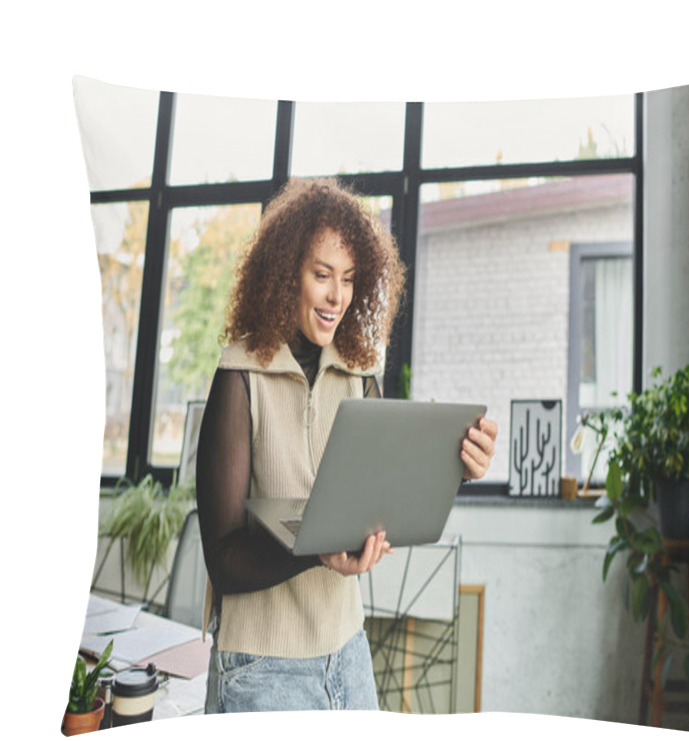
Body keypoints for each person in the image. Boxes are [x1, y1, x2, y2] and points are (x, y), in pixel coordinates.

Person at [196, 177, 497, 713]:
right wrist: (319, 549)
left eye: (350, 279)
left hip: (348, 655)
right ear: (286, 274)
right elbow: (224, 560)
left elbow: (382, 500)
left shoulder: (359, 376)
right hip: (261, 667)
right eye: (322, 276)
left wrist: (453, 464)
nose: (338, 296)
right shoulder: (240, 375)